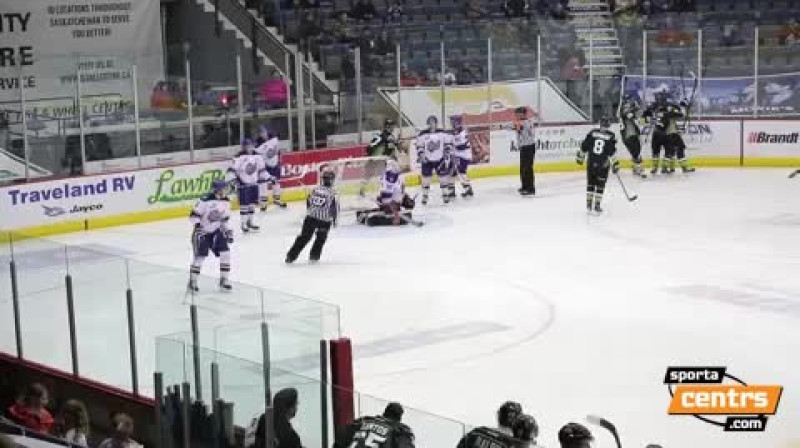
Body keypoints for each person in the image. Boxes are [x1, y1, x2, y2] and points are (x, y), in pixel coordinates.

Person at [188, 179, 234, 292]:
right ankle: (193, 281)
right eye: (224, 188)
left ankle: (224, 280)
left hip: (216, 232)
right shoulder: (205, 200)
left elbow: (224, 219)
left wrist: (227, 231)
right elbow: (193, 216)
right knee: (200, 257)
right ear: (217, 189)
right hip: (202, 233)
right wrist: (198, 227)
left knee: (226, 253)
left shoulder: (226, 201)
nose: (226, 190)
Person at [286, 170, 339, 264]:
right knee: (320, 239)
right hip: (324, 221)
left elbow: (308, 201)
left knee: (304, 237)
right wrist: (335, 220)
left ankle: (290, 257)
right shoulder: (333, 193)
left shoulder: (315, 189)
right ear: (332, 180)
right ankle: (314, 257)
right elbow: (335, 208)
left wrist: (310, 211)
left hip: (310, 218)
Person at [577, 116, 619, 214]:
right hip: (603, 164)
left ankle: (589, 204)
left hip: (591, 162)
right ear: (608, 125)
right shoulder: (611, 136)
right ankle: (597, 205)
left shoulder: (592, 132)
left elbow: (584, 146)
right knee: (600, 185)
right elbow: (612, 152)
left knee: (591, 183)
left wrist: (580, 158)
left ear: (600, 124)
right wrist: (615, 164)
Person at [356, 161, 417, 226]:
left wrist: (406, 200)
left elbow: (400, 191)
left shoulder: (396, 177)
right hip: (383, 200)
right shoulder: (386, 179)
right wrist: (395, 213)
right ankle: (366, 215)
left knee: (405, 205)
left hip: (389, 199)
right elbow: (387, 199)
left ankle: (390, 209)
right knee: (385, 208)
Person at [227, 138, 267, 232]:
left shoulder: (258, 156)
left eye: (251, 145)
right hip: (243, 184)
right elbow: (231, 171)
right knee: (244, 205)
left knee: (252, 204)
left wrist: (269, 177)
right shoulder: (238, 157)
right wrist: (234, 181)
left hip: (254, 184)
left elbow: (262, 171)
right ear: (244, 147)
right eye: (247, 146)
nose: (249, 148)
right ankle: (243, 224)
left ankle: (250, 222)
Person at [336, 402, 415, 448]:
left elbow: (340, 441)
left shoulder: (361, 422)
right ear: (399, 418)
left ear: (384, 413)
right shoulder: (398, 429)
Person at [416, 115, 455, 205]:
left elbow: (448, 143)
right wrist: (421, 154)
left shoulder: (442, 132)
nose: (431, 124)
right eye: (430, 122)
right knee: (425, 179)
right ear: (428, 123)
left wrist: (447, 151)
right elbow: (419, 146)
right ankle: (425, 196)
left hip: (439, 160)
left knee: (443, 178)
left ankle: (445, 195)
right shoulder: (422, 134)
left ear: (436, 123)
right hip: (427, 161)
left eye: (433, 122)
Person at [255, 126, 286, 210]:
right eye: (261, 133)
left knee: (276, 181)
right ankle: (264, 202)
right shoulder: (258, 145)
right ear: (259, 134)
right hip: (265, 166)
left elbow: (277, 149)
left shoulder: (274, 138)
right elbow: (257, 156)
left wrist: (279, 158)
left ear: (266, 131)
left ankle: (277, 199)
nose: (263, 134)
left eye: (263, 132)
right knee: (263, 183)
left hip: (275, 164)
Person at [619, 96, 647, 178]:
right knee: (636, 152)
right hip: (628, 136)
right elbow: (631, 115)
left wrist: (641, 112)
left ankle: (636, 168)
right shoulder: (623, 112)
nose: (627, 106)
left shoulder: (628, 111)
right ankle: (640, 170)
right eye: (627, 105)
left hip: (633, 135)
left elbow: (639, 120)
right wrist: (638, 109)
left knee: (636, 152)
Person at [513, 107, 537, 196]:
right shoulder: (519, 122)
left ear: (523, 114)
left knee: (528, 168)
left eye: (518, 114)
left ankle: (530, 188)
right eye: (516, 114)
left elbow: (530, 134)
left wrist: (520, 128)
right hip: (523, 147)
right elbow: (512, 127)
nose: (516, 116)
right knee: (522, 168)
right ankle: (524, 186)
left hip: (529, 146)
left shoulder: (528, 122)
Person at [450, 116, 474, 198]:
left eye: (453, 121)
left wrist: (452, 146)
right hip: (459, 155)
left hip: (463, 156)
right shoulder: (456, 131)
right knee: (452, 172)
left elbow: (462, 146)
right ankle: (452, 191)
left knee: (461, 172)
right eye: (451, 121)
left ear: (458, 122)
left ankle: (468, 189)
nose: (452, 123)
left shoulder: (462, 132)